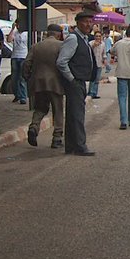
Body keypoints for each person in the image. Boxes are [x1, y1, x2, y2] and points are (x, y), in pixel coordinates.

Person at [55, 11, 98, 155]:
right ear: (78, 23)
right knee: (77, 115)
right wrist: (71, 79)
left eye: (90, 22)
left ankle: (72, 145)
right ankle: (80, 145)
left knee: (74, 114)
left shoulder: (84, 38)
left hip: (80, 80)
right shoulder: (73, 38)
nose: (88, 24)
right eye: (85, 21)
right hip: (75, 81)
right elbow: (62, 62)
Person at [24, 24, 66, 149]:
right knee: (58, 110)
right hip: (55, 83)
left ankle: (34, 127)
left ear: (47, 33)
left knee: (40, 108)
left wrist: (27, 77)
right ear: (58, 34)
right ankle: (57, 137)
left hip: (38, 82)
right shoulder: (61, 46)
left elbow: (27, 63)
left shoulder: (36, 46)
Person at [110, 25, 130, 129]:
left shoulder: (118, 43)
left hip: (121, 73)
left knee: (122, 97)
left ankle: (123, 121)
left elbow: (111, 51)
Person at [9, 22, 29, 104]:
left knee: (22, 78)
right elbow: (9, 40)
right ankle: (17, 95)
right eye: (17, 25)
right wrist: (12, 29)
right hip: (15, 56)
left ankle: (23, 97)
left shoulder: (27, 33)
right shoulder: (14, 33)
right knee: (14, 78)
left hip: (23, 56)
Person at [87, 29, 105, 99]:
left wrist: (105, 60)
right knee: (92, 79)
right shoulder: (91, 43)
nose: (98, 38)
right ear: (94, 37)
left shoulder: (103, 44)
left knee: (97, 79)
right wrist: (94, 45)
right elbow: (88, 51)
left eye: (99, 36)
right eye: (96, 36)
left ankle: (95, 93)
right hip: (92, 64)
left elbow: (103, 53)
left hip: (99, 63)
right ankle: (90, 92)